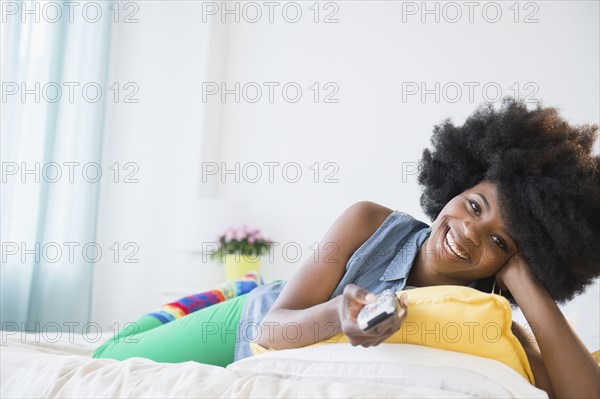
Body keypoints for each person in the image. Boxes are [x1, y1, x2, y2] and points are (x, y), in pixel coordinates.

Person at [93, 98, 600, 398]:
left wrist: (527, 285)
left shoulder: (489, 318)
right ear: (457, 182)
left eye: (498, 240)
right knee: (110, 354)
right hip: (251, 321)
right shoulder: (369, 221)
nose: (470, 232)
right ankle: (229, 291)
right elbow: (271, 330)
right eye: (474, 205)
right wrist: (339, 314)